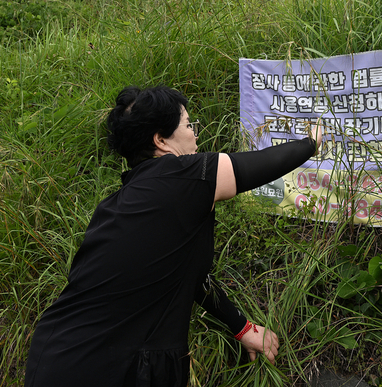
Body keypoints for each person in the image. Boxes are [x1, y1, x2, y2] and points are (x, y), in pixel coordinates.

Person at [25, 85, 321, 387]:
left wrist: (242, 327)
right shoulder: (179, 177)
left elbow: (189, 276)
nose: (195, 135)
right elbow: (250, 168)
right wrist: (310, 143)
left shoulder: (124, 202)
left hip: (61, 356)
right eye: (189, 125)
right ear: (161, 140)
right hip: (102, 367)